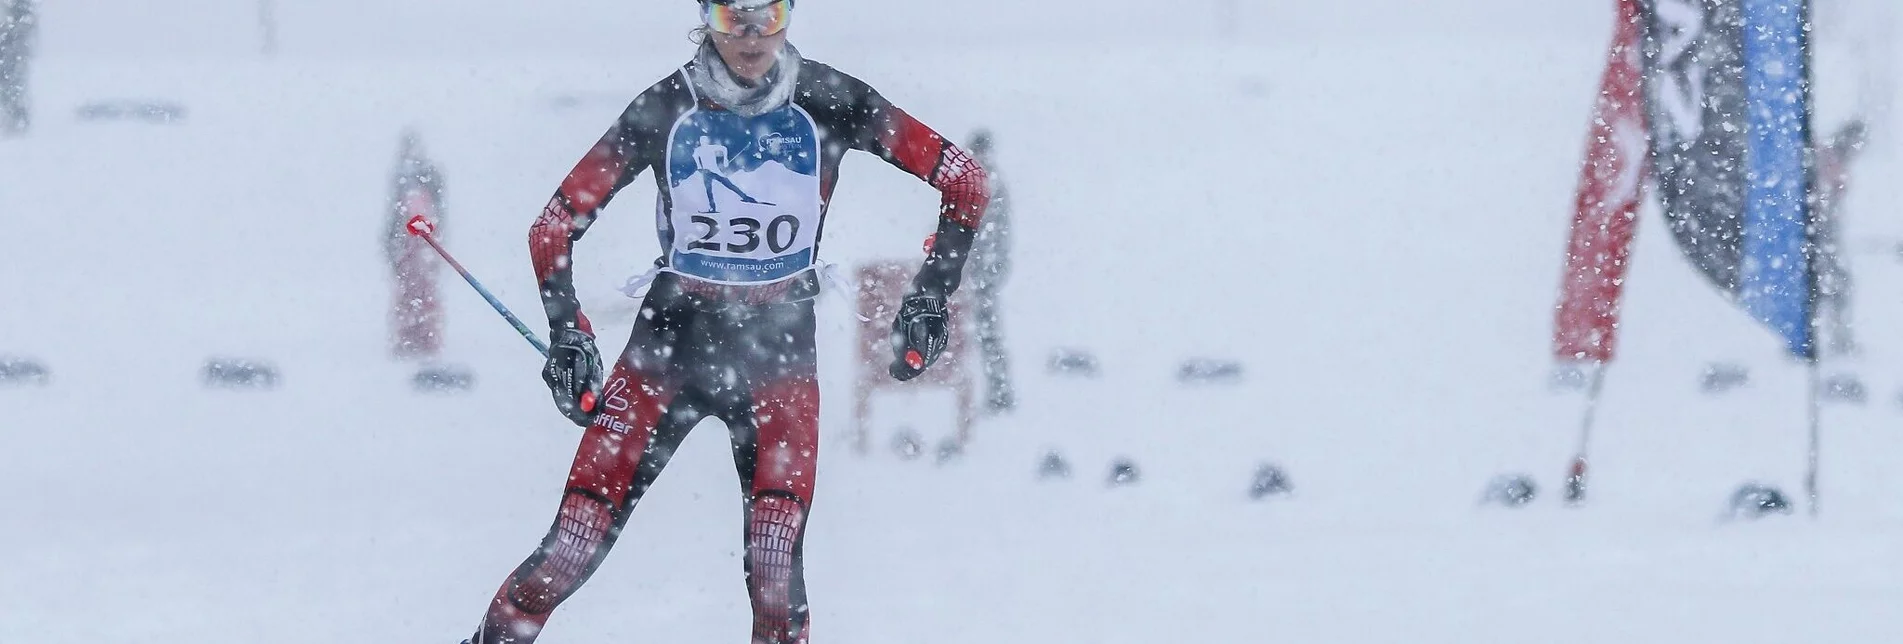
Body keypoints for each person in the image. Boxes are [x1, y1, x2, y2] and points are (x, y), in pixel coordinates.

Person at [464, 1, 990, 643]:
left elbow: (963, 178)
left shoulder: (830, 98)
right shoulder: (665, 106)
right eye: (729, 14)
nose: (748, 36)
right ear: (705, 18)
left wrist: (930, 295)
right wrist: (569, 332)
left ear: (789, 16)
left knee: (774, 569)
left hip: (779, 358)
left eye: (765, 15)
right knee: (572, 547)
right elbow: (553, 225)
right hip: (668, 348)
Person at [964, 130, 1014, 414]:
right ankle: (997, 390)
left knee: (983, 335)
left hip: (972, 274)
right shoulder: (989, 182)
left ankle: (997, 391)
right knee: (986, 335)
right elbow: (1002, 234)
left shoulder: (975, 180)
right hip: (977, 274)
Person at [0, 0, 35, 136]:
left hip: (11, 54)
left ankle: (16, 120)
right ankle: (16, 120)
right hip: (11, 53)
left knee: (11, 87)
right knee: (11, 87)